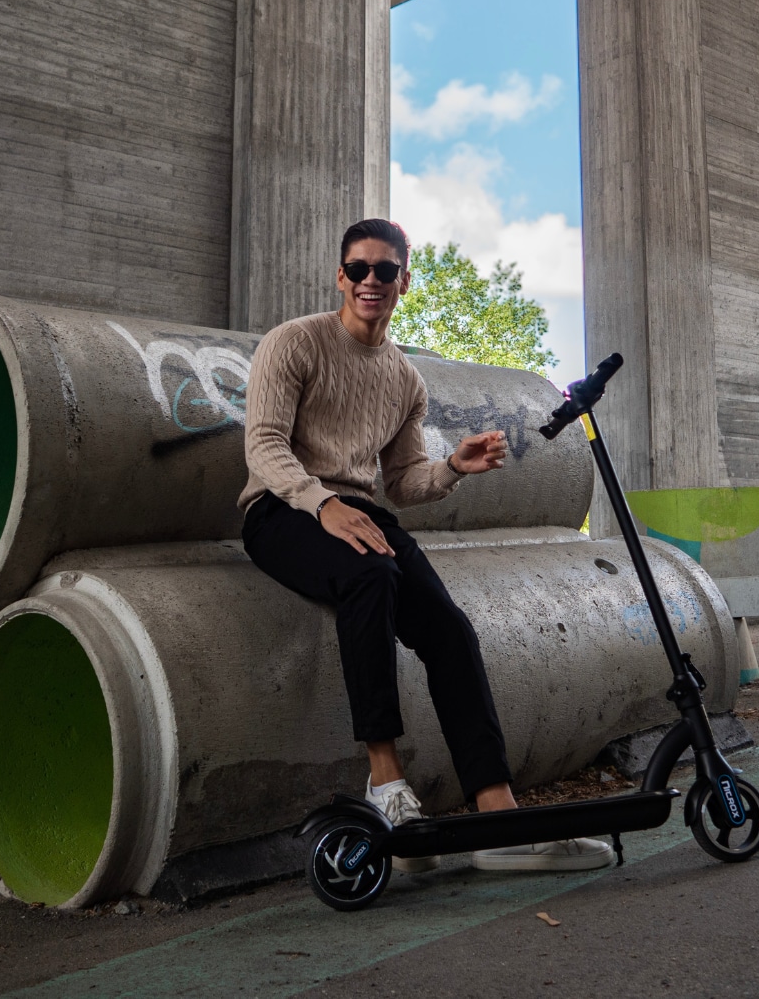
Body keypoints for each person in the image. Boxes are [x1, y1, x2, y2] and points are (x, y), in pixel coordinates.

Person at [238, 217, 612, 874]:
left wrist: (454, 468)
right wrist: (321, 503)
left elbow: (404, 483)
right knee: (371, 576)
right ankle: (386, 785)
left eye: (385, 270)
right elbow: (264, 444)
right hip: (280, 509)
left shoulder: (405, 380)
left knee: (449, 631)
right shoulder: (294, 343)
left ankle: (498, 816)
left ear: (404, 281)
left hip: (358, 512)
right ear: (341, 277)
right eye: (359, 269)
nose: (371, 281)